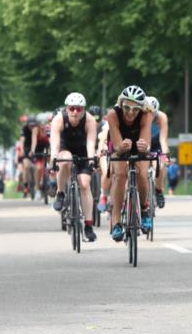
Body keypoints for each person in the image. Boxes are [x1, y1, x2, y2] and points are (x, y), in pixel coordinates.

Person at [106, 86, 153, 242]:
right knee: (120, 174)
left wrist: (144, 147)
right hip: (120, 144)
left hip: (138, 145)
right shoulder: (113, 115)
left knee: (142, 174)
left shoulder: (147, 115)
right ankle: (117, 220)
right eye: (127, 107)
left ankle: (144, 209)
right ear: (121, 104)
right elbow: (117, 146)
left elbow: (146, 144)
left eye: (135, 108)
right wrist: (121, 148)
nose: (131, 112)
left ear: (142, 107)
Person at [50, 92, 99, 242]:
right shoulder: (59, 119)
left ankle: (89, 225)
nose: (75, 112)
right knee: (66, 160)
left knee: (85, 185)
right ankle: (60, 193)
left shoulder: (90, 120)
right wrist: (53, 158)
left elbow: (91, 143)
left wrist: (92, 160)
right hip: (65, 149)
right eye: (72, 109)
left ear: (83, 110)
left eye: (79, 109)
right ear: (67, 109)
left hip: (83, 150)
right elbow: (55, 144)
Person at [145, 96, 171, 208]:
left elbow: (163, 139)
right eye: (148, 112)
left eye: (153, 113)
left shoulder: (162, 117)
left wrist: (165, 156)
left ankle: (159, 190)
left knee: (160, 166)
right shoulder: (141, 116)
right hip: (144, 144)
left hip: (157, 145)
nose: (150, 116)